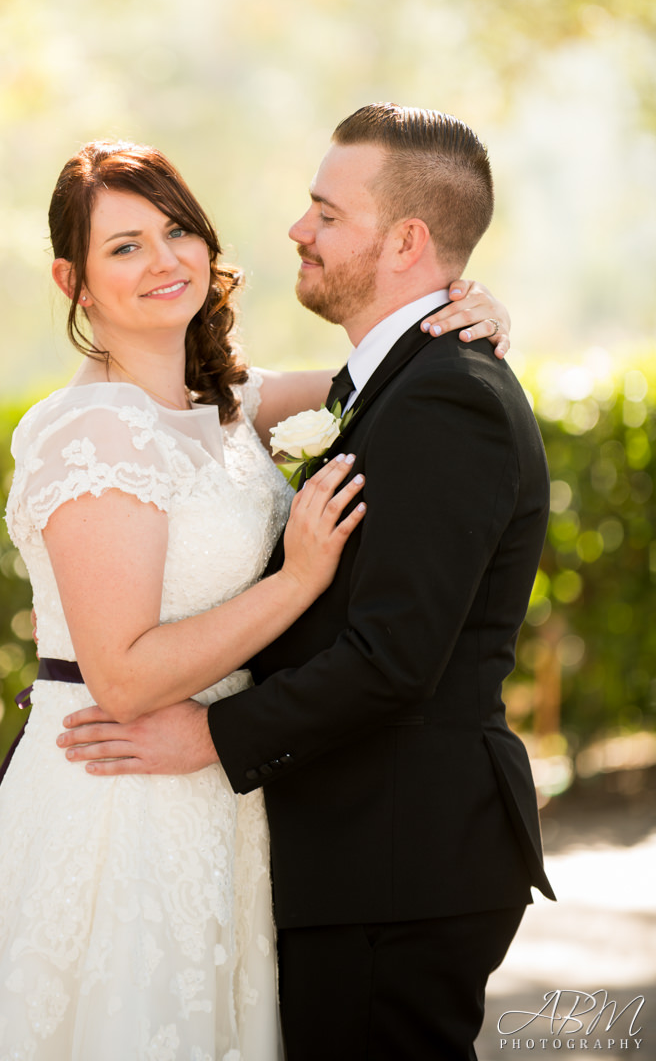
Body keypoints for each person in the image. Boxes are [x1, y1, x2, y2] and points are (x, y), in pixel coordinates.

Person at [0, 138, 508, 1061]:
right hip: (123, 801)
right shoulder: (93, 432)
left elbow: (387, 385)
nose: (166, 260)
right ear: (72, 282)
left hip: (225, 794)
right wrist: (298, 580)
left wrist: (468, 309)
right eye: (125, 246)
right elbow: (123, 676)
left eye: (178, 230)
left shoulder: (228, 403)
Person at [58, 105, 556, 1060]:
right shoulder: (378, 385)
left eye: (327, 214)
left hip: (394, 858)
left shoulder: (448, 393)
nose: (297, 229)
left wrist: (209, 734)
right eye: (123, 246)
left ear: (406, 241)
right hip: (330, 849)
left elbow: (393, 659)